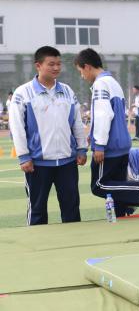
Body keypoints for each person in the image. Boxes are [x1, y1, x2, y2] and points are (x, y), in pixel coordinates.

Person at [74, 48, 139, 217]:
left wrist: (99, 144)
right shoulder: (113, 82)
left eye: (81, 71)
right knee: (117, 187)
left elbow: (103, 114)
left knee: (98, 185)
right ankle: (123, 213)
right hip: (122, 144)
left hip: (110, 145)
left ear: (87, 67)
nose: (82, 76)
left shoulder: (100, 84)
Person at [9, 46, 87, 225]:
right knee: (37, 211)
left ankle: (76, 246)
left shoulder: (67, 91)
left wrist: (81, 148)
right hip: (37, 164)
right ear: (38, 65)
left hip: (67, 162)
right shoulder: (23, 93)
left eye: (59, 64)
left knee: (72, 209)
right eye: (51, 64)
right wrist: (23, 156)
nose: (56, 68)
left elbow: (76, 122)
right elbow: (17, 127)